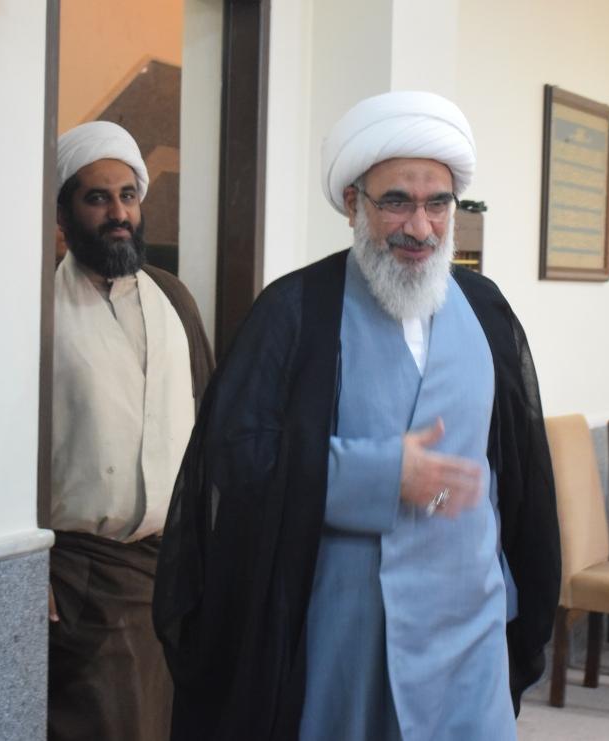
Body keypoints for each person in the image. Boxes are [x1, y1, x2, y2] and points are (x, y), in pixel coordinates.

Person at [153, 91, 559, 741]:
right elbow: (237, 455)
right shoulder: (295, 311)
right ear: (352, 203)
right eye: (396, 201)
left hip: (469, 626)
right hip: (347, 631)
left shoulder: (485, 310)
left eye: (437, 204)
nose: (420, 227)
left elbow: (519, 470)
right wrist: (381, 473)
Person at [48, 120, 213, 741]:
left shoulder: (173, 297)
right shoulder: (39, 304)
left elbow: (209, 427)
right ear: (64, 214)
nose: (118, 214)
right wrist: (28, 569)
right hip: (81, 573)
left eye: (128, 196)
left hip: (169, 567)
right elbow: (3, 449)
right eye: (97, 198)